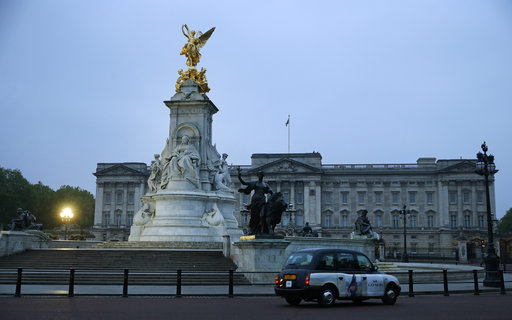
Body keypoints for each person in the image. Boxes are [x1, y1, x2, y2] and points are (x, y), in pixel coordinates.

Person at [237, 168, 273, 235]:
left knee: (263, 214)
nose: (260, 176)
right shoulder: (254, 183)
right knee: (254, 216)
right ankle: (252, 229)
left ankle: (264, 228)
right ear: (257, 175)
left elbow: (271, 192)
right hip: (255, 201)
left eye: (261, 175)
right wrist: (239, 176)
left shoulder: (265, 185)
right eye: (259, 175)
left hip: (262, 201)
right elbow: (244, 183)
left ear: (262, 176)